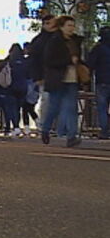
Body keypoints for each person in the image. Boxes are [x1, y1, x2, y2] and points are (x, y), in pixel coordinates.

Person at [40, 16, 85, 147]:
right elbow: (49, 61)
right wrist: (68, 61)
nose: (71, 28)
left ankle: (72, 136)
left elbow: (78, 59)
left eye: (72, 25)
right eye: (68, 25)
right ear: (61, 27)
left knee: (71, 108)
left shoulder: (75, 41)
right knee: (54, 107)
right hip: (58, 79)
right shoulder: (54, 41)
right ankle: (46, 129)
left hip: (72, 78)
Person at [89, 26, 110, 139]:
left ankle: (105, 131)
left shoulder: (98, 48)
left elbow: (90, 64)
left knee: (102, 107)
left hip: (102, 81)